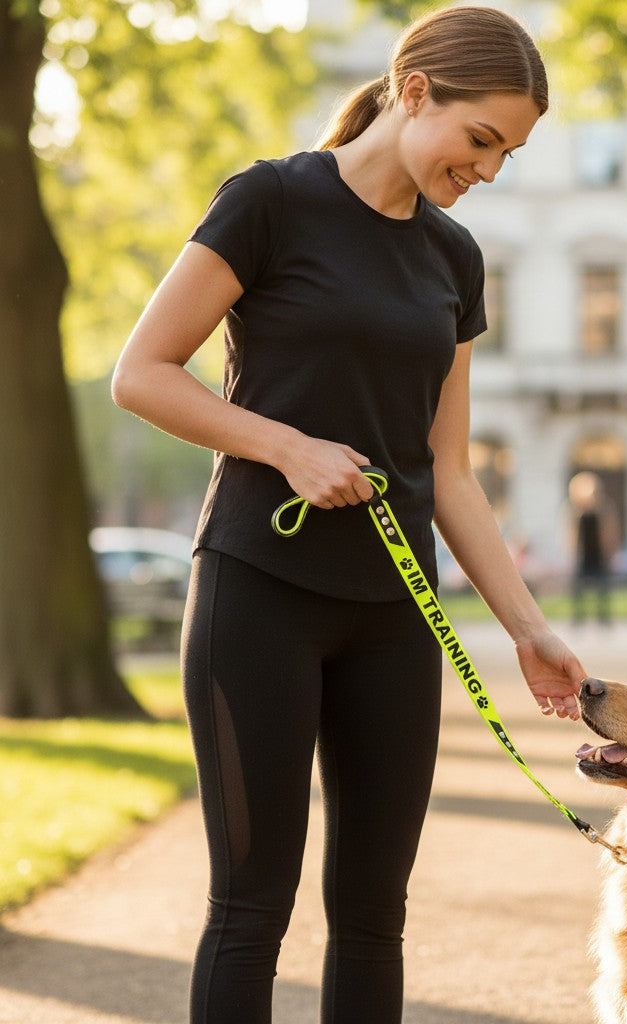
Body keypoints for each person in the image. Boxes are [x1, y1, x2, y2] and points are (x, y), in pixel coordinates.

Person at [110, 7, 585, 1023]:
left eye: (506, 154)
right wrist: (285, 446)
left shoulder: (454, 259)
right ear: (415, 92)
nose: (488, 170)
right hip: (258, 592)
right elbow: (142, 373)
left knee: (375, 917)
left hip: (394, 617)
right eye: (481, 139)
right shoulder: (272, 201)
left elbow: (447, 471)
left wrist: (528, 628)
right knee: (251, 910)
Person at [568, 471, 618, 625]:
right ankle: (578, 618)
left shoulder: (604, 510)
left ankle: (603, 618)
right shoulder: (575, 511)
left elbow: (611, 532)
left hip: (600, 556)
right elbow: (570, 534)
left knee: (603, 589)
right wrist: (572, 553)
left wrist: (610, 553)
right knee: (578, 589)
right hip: (583, 555)